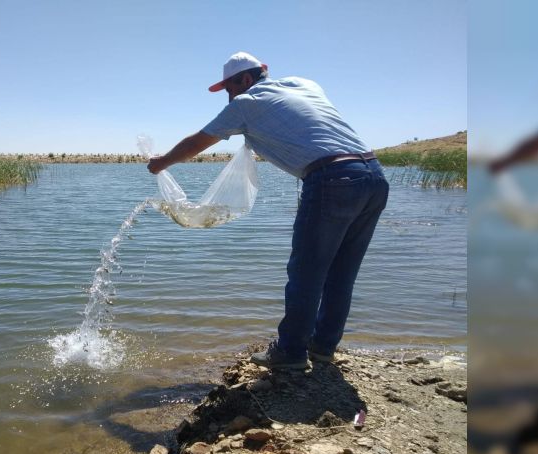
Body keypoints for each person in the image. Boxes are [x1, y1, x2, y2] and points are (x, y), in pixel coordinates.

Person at [147, 52, 388, 370]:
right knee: (342, 273)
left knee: (307, 272)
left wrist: (159, 164)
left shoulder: (245, 103)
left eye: (229, 89)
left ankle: (290, 353)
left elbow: (197, 142)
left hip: (332, 179)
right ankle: (323, 348)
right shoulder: (303, 83)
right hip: (373, 177)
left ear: (245, 80)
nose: (229, 97)